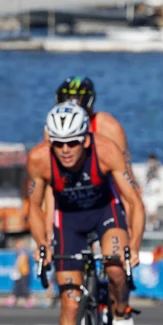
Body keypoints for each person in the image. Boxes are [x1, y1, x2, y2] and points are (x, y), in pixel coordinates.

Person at [27, 101, 145, 325]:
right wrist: (42, 243)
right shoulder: (39, 159)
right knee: (70, 303)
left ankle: (121, 313)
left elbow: (134, 200)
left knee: (116, 269)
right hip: (69, 219)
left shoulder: (107, 150)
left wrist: (134, 245)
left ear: (86, 139)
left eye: (72, 142)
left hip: (105, 211)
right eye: (58, 143)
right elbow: (33, 206)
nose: (65, 150)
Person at [45, 76, 141, 240]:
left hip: (106, 190)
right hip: (71, 194)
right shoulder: (53, 128)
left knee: (115, 254)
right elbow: (51, 178)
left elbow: (126, 172)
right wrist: (48, 228)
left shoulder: (108, 127)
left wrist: (130, 222)